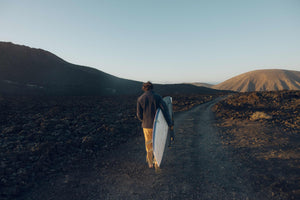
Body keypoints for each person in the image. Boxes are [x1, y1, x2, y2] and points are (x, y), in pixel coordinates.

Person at [136, 81, 173, 169]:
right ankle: (157, 161)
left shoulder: (140, 98)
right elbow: (165, 111)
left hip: (146, 126)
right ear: (152, 88)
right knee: (157, 143)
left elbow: (139, 115)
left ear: (144, 88)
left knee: (148, 144)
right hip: (157, 125)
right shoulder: (158, 97)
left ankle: (150, 162)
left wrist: (144, 120)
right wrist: (169, 123)